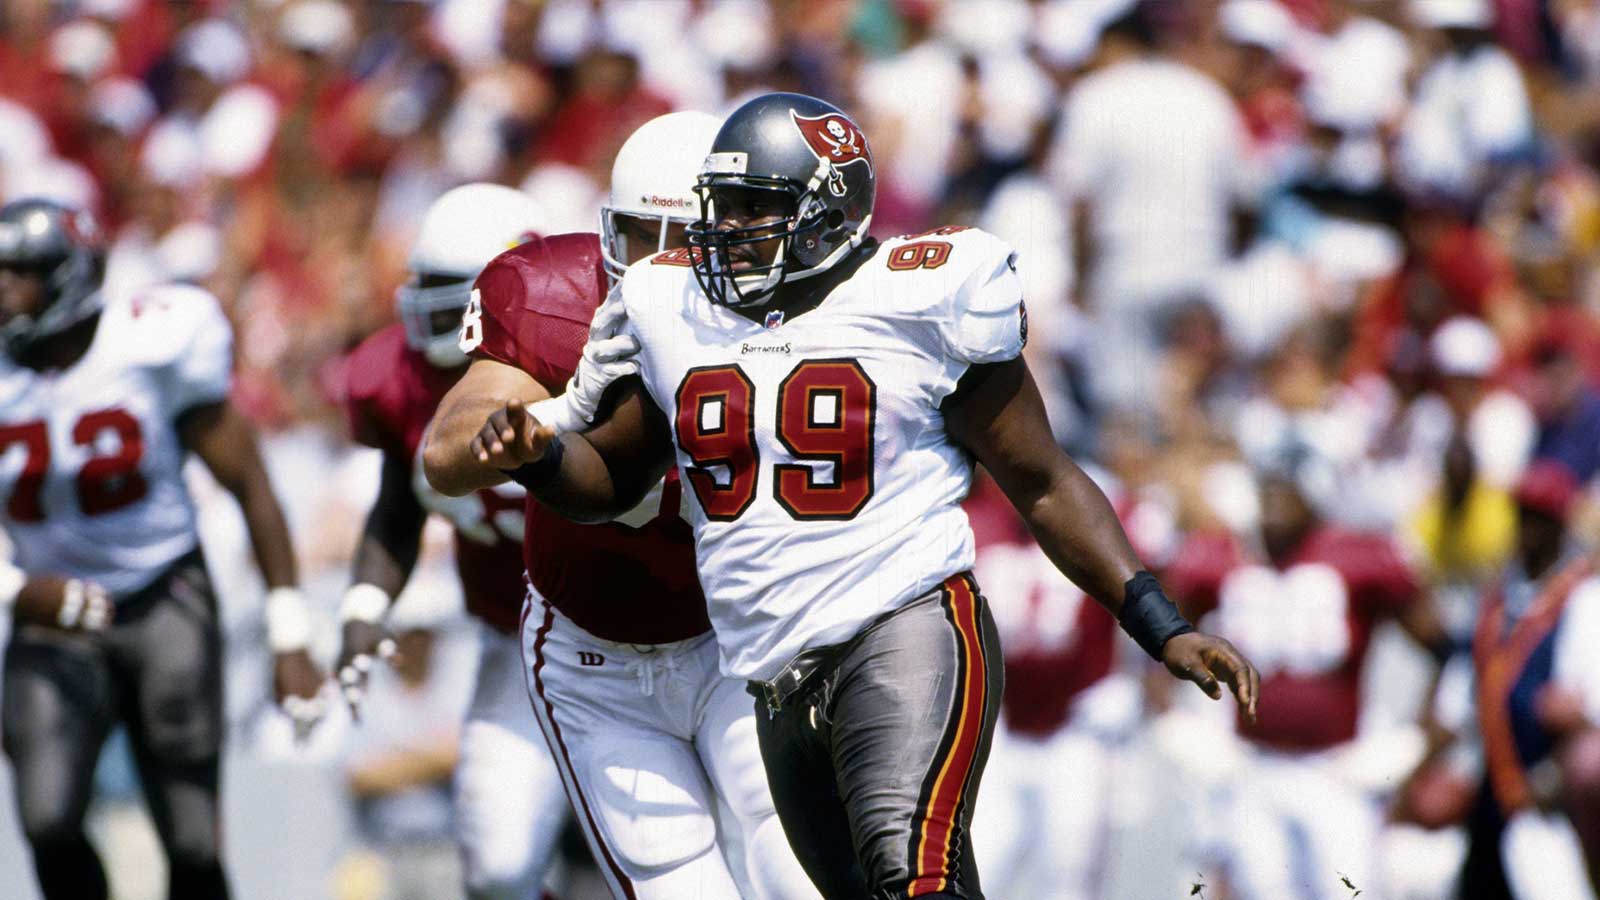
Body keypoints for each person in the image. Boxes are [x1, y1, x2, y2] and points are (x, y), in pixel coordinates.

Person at [451, 91, 1258, 899]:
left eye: (752, 208)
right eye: (721, 206)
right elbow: (611, 482)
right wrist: (539, 457)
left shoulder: (925, 296)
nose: (724, 229)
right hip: (773, 671)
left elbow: (1042, 480)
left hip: (905, 627)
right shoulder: (674, 306)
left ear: (827, 211)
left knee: (912, 875)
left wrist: (1159, 624)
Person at [423, 111, 815, 900]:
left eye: (687, 238)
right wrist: (556, 414)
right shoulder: (549, 295)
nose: (661, 265)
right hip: (592, 653)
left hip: (738, 637)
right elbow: (446, 455)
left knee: (800, 865)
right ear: (609, 230)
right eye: (643, 236)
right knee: (674, 881)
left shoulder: (798, 312)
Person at [0, 198, 324, 900]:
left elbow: (250, 484)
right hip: (50, 611)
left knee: (193, 839)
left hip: (162, 592)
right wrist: (16, 590)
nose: (2, 289)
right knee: (47, 819)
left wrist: (290, 633)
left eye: (18, 273)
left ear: (68, 277)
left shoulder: (152, 345)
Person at [335, 182, 573, 900]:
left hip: (647, 630)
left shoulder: (583, 350)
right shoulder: (397, 379)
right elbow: (398, 504)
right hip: (516, 641)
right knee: (498, 867)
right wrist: (364, 603)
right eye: (423, 284)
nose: (424, 305)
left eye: (448, 290)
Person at [1165, 442, 1451, 900]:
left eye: (1287, 490)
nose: (1274, 504)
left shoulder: (1359, 557)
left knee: (1350, 891)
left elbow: (1443, 647)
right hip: (1250, 766)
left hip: (1335, 771)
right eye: (1267, 490)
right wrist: (1169, 715)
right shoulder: (1223, 557)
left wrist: (1421, 735)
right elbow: (1162, 635)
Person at [1456, 461, 1600, 899]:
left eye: (1540, 518)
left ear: (1559, 525)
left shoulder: (1583, 596)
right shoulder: (1498, 599)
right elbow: (1460, 697)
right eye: (1522, 515)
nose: (1528, 529)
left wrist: (1556, 772)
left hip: (1550, 794)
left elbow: (1582, 709)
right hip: (1494, 788)